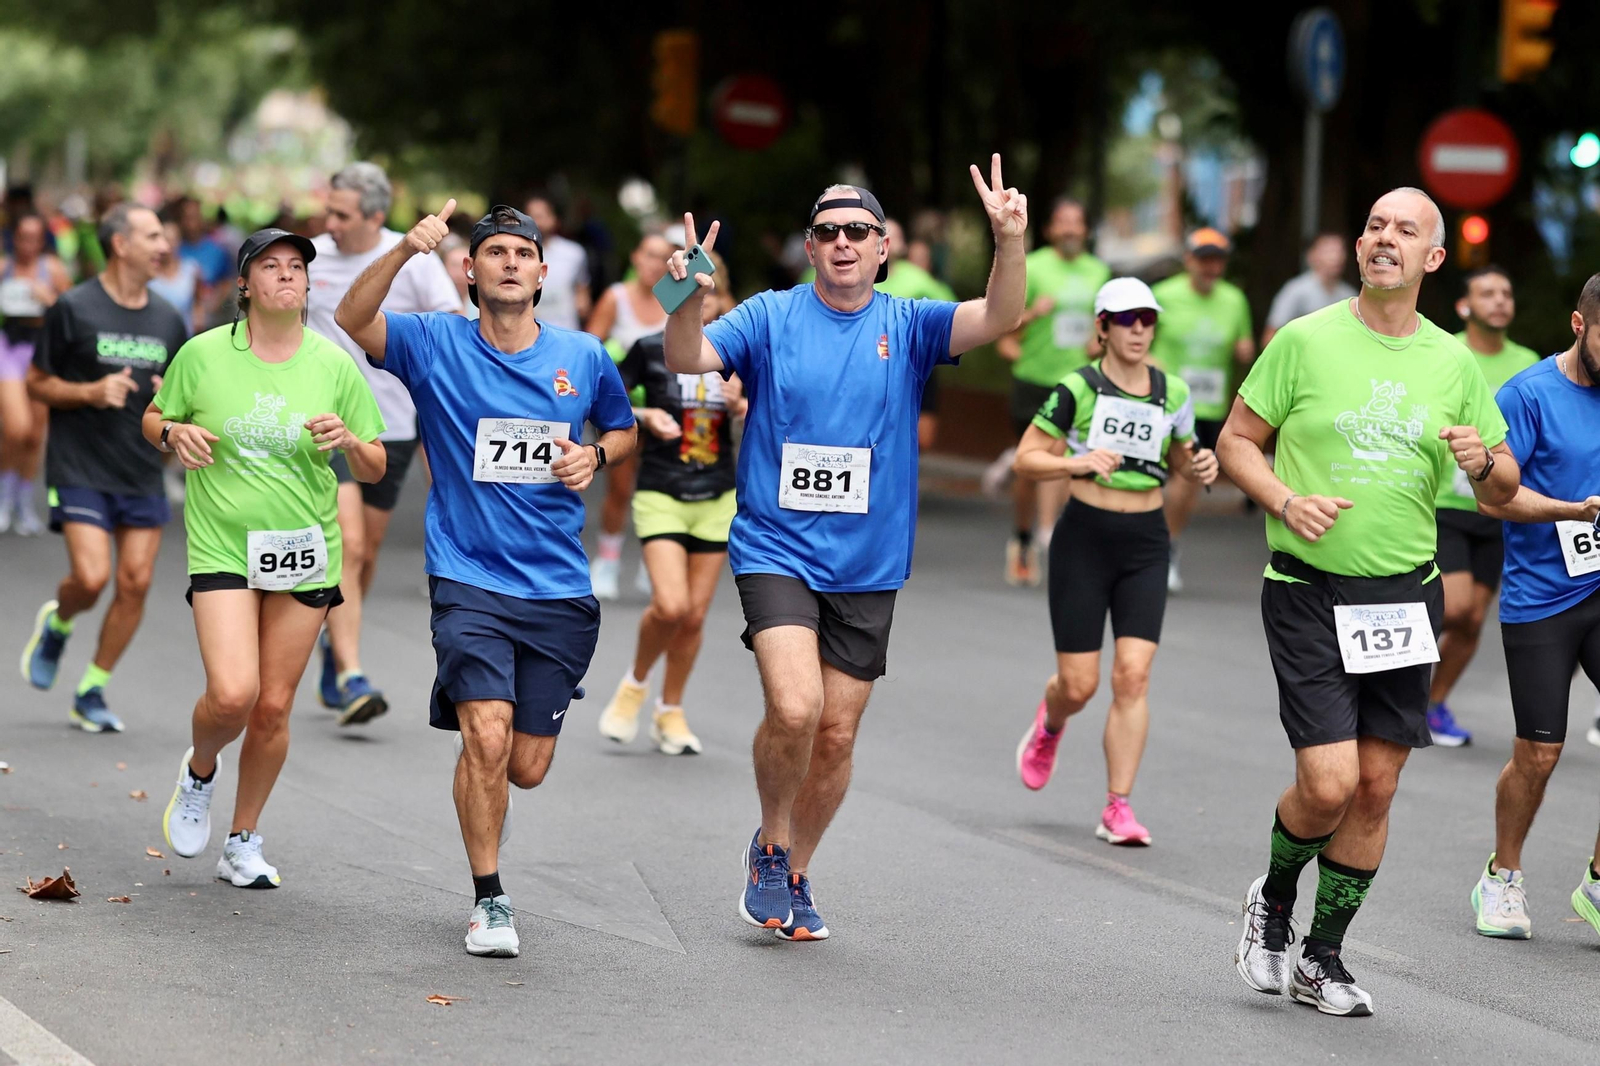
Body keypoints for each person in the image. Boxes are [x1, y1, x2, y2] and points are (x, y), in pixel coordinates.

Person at [662, 156, 1027, 941]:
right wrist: (681, 295)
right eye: (827, 232)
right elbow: (685, 357)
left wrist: (1008, 242)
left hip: (868, 560)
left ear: (883, 246)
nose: (842, 243)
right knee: (797, 707)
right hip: (776, 546)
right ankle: (769, 841)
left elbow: (1000, 318)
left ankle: (794, 870)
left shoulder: (910, 322)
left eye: (857, 231)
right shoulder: (768, 315)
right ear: (809, 246)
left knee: (836, 732)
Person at [1222, 187, 1517, 1017]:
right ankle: (1274, 897)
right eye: (1375, 226)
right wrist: (1284, 501)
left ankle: (1324, 957)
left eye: (1406, 231)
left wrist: (1481, 460)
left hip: (1403, 598)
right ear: (1359, 247)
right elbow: (1236, 442)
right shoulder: (1304, 342)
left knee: (1377, 787)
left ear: (1433, 258)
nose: (1385, 238)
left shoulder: (1455, 363)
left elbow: (1501, 489)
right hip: (1309, 589)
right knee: (1327, 782)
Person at [335, 201, 636, 957]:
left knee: (526, 767)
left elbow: (622, 429)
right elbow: (349, 313)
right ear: (468, 271)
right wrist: (406, 247)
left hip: (558, 587)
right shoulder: (433, 343)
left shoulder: (584, 356)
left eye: (520, 253)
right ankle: (490, 898)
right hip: (467, 575)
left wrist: (595, 456)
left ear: (542, 272)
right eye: (492, 251)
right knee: (488, 735)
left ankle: (501, 761)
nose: (507, 262)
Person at [147, 228, 386, 888]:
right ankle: (200, 770)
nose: (287, 276)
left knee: (273, 708)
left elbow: (374, 463)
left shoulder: (333, 364)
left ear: (308, 286)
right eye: (270, 266)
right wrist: (172, 431)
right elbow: (154, 415)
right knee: (233, 695)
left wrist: (347, 441)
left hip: (304, 550)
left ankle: (243, 839)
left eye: (297, 268)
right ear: (245, 285)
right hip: (223, 541)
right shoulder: (202, 355)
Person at [1012, 277, 1217, 844]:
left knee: (1132, 676)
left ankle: (1117, 807)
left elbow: (1183, 459)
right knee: (1079, 685)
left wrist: (1201, 467)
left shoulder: (1171, 392)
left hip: (1145, 541)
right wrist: (1074, 465)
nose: (1138, 330)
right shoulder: (1077, 388)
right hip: (1085, 538)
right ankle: (1051, 723)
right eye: (1125, 319)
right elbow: (1028, 458)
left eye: (1147, 320)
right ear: (1101, 327)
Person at [1465, 278, 1600, 940]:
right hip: (1543, 596)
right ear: (1579, 324)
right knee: (1539, 754)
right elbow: (1494, 499)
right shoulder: (1526, 394)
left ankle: (1599, 882)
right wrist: (1572, 510)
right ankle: (1503, 875)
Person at [307, 162, 463, 727]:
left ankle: (333, 637)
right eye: (329, 209)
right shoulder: (314, 256)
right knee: (348, 544)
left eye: (342, 214)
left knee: (365, 550)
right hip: (325, 424)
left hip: (392, 426)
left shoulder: (414, 253)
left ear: (375, 215)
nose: (330, 222)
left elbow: (453, 327)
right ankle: (350, 672)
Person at [19, 205, 187, 732]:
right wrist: (90, 391)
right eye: (154, 235)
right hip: (79, 466)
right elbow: (37, 383)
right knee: (91, 579)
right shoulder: (74, 307)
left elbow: (185, 399)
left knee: (134, 582)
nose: (164, 245)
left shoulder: (168, 319)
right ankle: (61, 620)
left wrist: (173, 401)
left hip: (140, 469)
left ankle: (92, 687)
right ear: (120, 244)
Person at [599, 250, 744, 755]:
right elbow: (605, 400)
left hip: (718, 492)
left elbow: (771, 414)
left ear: (720, 299)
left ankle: (671, 711)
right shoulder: (647, 347)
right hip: (661, 489)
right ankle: (634, 684)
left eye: (712, 295)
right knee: (670, 604)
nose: (703, 304)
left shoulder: (736, 350)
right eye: (694, 293)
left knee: (696, 617)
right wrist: (641, 414)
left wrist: (743, 405)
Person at [1426, 266, 1542, 746]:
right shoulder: (1443, 353)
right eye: (1486, 293)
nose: (1499, 300)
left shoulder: (1528, 361)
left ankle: (1432, 705)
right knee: (1453, 608)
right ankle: (1394, 691)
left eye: (1506, 292)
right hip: (1445, 503)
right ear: (1464, 306)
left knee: (1473, 617)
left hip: (1498, 508)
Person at [1001, 198, 1109, 585]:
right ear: (1049, 229)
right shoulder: (1034, 266)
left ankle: (1054, 537)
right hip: (1034, 378)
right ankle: (1024, 536)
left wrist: (1101, 342)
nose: (1069, 229)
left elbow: (1106, 325)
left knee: (1065, 457)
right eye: (1061, 222)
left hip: (1079, 381)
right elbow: (1004, 324)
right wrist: (1034, 313)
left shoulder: (1099, 271)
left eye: (1075, 222)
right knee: (1028, 467)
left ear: (1085, 230)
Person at [1151, 228, 1255, 594]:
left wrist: (1247, 351)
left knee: (1190, 478)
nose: (1212, 267)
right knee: (1150, 477)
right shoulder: (1164, 295)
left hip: (1206, 407)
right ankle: (1141, 547)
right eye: (1205, 259)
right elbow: (1136, 339)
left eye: (1218, 260)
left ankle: (1167, 548)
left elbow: (1245, 345)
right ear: (1189, 259)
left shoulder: (1234, 300)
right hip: (1161, 401)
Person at [584, 230, 673, 599]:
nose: (653, 264)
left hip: (667, 407)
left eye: (661, 257)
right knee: (620, 489)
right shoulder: (615, 297)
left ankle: (652, 567)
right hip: (622, 407)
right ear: (636, 258)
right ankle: (607, 561)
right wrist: (615, 356)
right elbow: (588, 347)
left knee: (660, 489)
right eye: (648, 254)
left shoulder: (673, 298)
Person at [0, 214, 73, 533]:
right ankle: (3, 496)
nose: (27, 244)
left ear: (42, 240)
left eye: (34, 237)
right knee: (16, 427)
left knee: (33, 436)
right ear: (14, 238)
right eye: (22, 236)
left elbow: (74, 310)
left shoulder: (52, 269)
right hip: (8, 347)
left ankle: (23, 501)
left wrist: (50, 300)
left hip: (41, 350)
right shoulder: (3, 267)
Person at [877, 219, 956, 451]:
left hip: (913, 364)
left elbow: (952, 309)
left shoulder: (917, 277)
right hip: (869, 364)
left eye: (894, 235)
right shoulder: (852, 276)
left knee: (922, 438)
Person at [1261, 233, 1356, 347]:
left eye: (1340, 251)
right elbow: (1270, 336)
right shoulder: (1295, 290)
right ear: (1312, 256)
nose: (1336, 257)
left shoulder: (1350, 295)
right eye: (1329, 251)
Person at [525, 195, 592, 331]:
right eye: (531, 217)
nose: (537, 222)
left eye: (541, 216)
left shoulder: (574, 253)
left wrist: (582, 304)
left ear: (553, 219)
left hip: (565, 331)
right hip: (529, 334)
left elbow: (582, 289)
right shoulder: (515, 255)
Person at [147, 214, 206, 336]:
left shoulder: (191, 269)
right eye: (165, 239)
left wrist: (198, 321)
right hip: (155, 336)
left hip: (185, 336)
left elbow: (199, 301)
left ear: (179, 241)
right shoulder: (148, 272)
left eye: (173, 239)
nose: (169, 245)